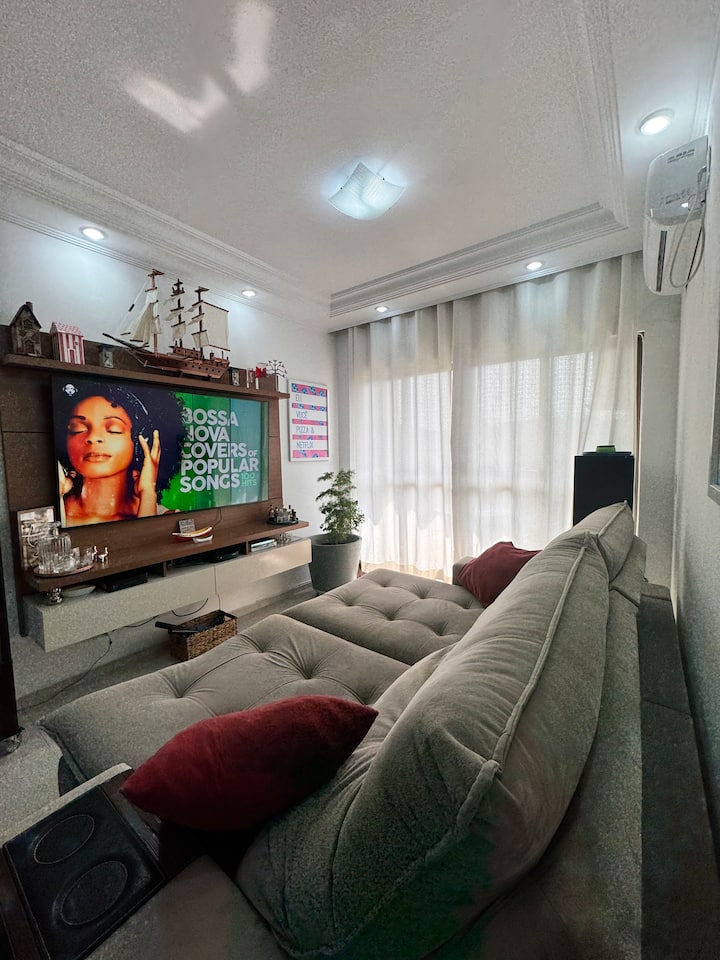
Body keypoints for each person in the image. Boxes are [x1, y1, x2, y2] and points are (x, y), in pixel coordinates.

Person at [54, 379, 185, 526]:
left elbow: (148, 536)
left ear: (142, 442)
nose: (93, 437)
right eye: (78, 429)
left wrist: (148, 492)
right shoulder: (54, 515)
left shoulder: (163, 517)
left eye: (113, 429)